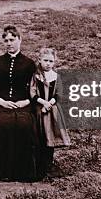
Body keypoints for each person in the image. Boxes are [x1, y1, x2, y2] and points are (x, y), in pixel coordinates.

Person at [0, 25, 38, 182]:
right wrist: (1, 101)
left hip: (23, 104)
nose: (9, 43)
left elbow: (36, 88)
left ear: (20, 40)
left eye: (12, 40)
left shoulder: (29, 63)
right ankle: (3, 172)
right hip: (1, 105)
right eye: (6, 40)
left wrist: (26, 101)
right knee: (3, 124)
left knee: (24, 124)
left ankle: (23, 172)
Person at [30, 48, 71, 178]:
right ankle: (38, 168)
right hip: (39, 110)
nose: (48, 63)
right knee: (40, 138)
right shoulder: (36, 76)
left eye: (51, 61)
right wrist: (43, 103)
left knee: (50, 138)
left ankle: (48, 165)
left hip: (52, 111)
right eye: (45, 60)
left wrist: (50, 103)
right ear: (40, 60)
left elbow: (59, 94)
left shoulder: (56, 76)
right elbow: (32, 93)